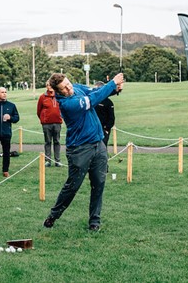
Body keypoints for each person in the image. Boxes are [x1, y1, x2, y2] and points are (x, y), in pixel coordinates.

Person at [43, 72, 124, 231]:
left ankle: (94, 221)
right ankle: (54, 215)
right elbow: (91, 100)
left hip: (98, 145)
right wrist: (113, 83)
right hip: (79, 149)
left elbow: (94, 92)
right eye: (64, 88)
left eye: (69, 83)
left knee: (99, 184)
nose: (69, 88)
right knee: (72, 186)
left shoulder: (76, 88)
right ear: (58, 93)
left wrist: (115, 89)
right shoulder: (67, 104)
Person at [37, 84, 63, 167]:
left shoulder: (59, 96)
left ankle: (57, 161)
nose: (50, 86)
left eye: (52, 85)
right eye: (48, 85)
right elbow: (39, 110)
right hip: (46, 123)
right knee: (48, 142)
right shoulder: (42, 97)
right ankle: (48, 161)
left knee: (57, 141)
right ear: (46, 86)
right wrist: (43, 119)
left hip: (57, 122)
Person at [93, 81, 116, 147]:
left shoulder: (108, 102)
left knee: (102, 148)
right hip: (93, 128)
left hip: (103, 129)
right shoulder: (93, 101)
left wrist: (106, 129)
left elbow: (111, 118)